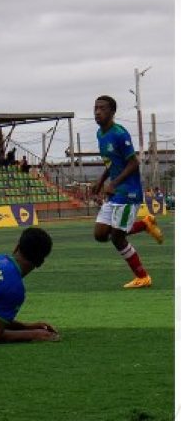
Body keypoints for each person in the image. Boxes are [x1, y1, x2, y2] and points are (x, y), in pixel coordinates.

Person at [91, 95, 163, 289]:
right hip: (115, 190)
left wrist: (114, 183)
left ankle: (143, 277)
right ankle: (145, 224)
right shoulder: (100, 134)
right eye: (95, 108)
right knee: (100, 234)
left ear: (112, 112)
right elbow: (112, 162)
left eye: (102, 108)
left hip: (128, 191)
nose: (97, 112)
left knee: (117, 237)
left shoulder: (120, 134)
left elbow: (134, 162)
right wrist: (101, 180)